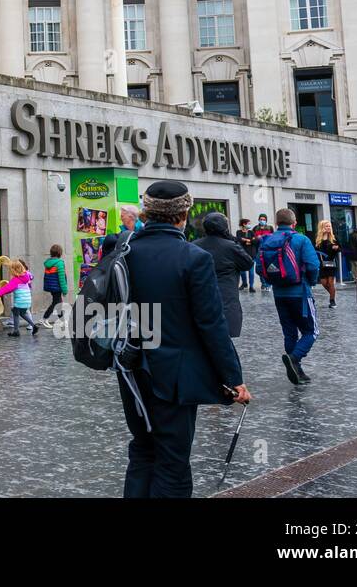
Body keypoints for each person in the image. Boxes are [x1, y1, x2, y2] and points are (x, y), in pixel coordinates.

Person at [115, 181, 249, 498]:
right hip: (173, 377)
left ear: (146, 212)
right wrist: (233, 378)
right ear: (184, 214)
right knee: (173, 462)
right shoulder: (193, 258)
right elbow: (211, 324)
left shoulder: (124, 252)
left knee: (143, 450)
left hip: (131, 370)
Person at [257, 209, 321, 385]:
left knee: (289, 332)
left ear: (276, 223)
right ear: (294, 223)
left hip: (279, 294)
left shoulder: (266, 240)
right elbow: (313, 265)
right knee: (311, 331)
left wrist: (270, 281)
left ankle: (297, 370)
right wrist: (312, 282)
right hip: (300, 293)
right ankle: (294, 358)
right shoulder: (301, 239)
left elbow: (258, 268)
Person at [192, 212, 250, 338]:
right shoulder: (230, 246)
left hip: (201, 299)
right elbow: (248, 263)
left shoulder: (194, 245)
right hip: (227, 299)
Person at [0, 259, 38, 336]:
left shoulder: (15, 280)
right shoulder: (26, 275)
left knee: (15, 312)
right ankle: (33, 326)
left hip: (20, 301)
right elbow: (31, 276)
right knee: (22, 313)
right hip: (27, 300)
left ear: (13, 270)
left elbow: (6, 289)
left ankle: (16, 331)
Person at [314, 219, 341, 308]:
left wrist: (336, 248)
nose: (328, 228)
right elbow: (316, 249)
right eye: (326, 226)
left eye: (329, 226)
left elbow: (340, 248)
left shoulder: (334, 237)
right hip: (322, 263)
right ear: (322, 228)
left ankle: (332, 301)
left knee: (330, 283)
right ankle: (332, 294)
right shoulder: (318, 238)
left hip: (331, 262)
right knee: (323, 282)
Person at [40, 244, 68, 327]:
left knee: (58, 303)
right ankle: (44, 318)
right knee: (56, 303)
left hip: (52, 287)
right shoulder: (59, 263)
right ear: (60, 253)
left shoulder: (48, 263)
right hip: (57, 287)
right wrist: (65, 290)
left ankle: (63, 321)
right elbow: (62, 278)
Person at [251, 214, 274, 291]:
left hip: (268, 250)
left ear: (266, 220)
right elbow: (252, 239)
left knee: (268, 267)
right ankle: (263, 284)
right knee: (260, 267)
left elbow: (273, 238)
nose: (262, 220)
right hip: (258, 250)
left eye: (264, 219)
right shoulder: (255, 228)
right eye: (261, 219)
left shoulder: (270, 228)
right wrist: (257, 238)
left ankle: (269, 284)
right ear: (258, 219)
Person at [235, 218, 257, 292]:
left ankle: (251, 286)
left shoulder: (251, 232)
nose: (249, 225)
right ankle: (244, 283)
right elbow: (239, 239)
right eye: (248, 223)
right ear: (244, 224)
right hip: (242, 254)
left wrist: (247, 240)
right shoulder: (238, 232)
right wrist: (248, 240)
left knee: (251, 271)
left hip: (251, 254)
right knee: (242, 271)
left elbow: (255, 240)